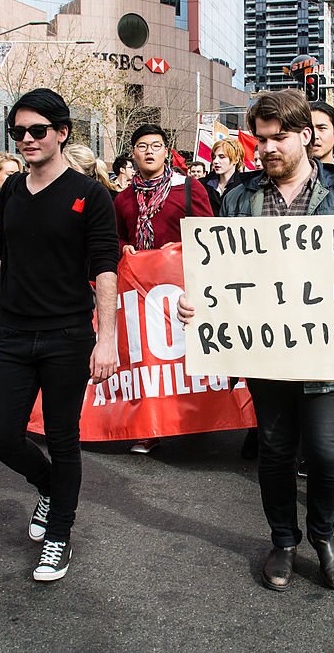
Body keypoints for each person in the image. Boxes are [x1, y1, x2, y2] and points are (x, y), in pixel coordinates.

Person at [177, 89, 334, 592]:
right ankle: (283, 540)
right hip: (265, 353)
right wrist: (197, 303)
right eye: (260, 139)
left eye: (279, 138)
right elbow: (215, 268)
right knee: (276, 453)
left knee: (327, 454)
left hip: (327, 353)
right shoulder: (238, 196)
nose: (267, 148)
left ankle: (323, 536)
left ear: (306, 136)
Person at [0, 88, 118, 582]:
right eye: (19, 131)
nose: (26, 139)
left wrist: (106, 339)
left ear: (62, 133)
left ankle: (59, 537)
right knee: (2, 436)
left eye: (37, 130)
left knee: (62, 437)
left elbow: (106, 270)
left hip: (68, 335)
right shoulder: (10, 190)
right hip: (13, 332)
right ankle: (50, 488)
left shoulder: (90, 195)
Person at [114, 123, 214, 454]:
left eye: (156, 145)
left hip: (181, 286)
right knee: (148, 361)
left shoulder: (188, 189)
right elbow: (118, 235)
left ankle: (200, 418)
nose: (149, 152)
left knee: (188, 355)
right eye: (142, 146)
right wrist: (125, 248)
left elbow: (206, 234)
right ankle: (149, 428)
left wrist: (179, 250)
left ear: (166, 150)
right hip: (142, 291)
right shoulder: (124, 198)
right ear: (133, 154)